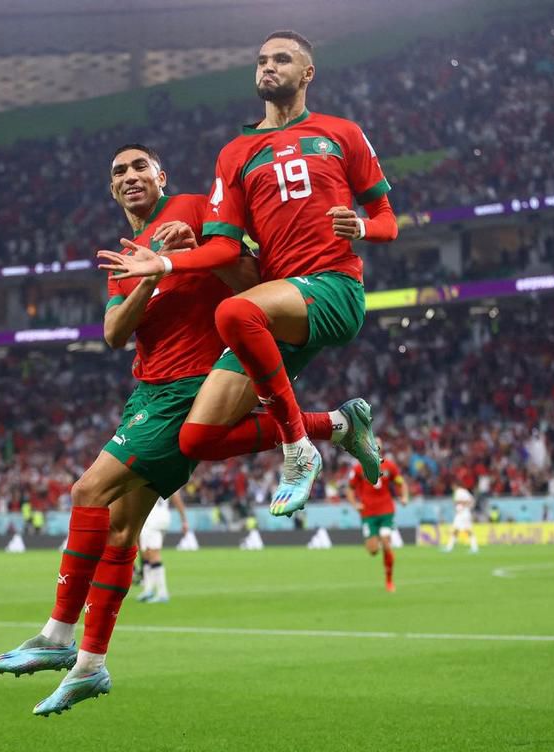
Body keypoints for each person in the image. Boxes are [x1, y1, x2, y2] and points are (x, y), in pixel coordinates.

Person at [0, 144, 369, 715]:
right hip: (148, 391)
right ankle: (91, 667)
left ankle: (57, 637)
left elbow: (253, 274)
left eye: (140, 166)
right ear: (112, 189)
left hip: (191, 386)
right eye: (119, 171)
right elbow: (115, 332)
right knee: (119, 531)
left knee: (87, 492)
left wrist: (193, 255)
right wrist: (147, 274)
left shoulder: (195, 207)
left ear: (162, 175)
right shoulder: (128, 253)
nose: (130, 176)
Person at [98, 30, 397, 518]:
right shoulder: (235, 154)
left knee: (233, 311)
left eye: (282, 59)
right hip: (273, 304)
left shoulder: (342, 133)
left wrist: (362, 227)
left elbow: (388, 220)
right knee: (198, 438)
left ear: (307, 73)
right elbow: (222, 248)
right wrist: (168, 262)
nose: (268, 66)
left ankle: (298, 450)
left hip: (333, 286)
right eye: (261, 60)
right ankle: (341, 425)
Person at [345, 445, 408, 591]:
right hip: (368, 513)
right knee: (373, 551)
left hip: (386, 510)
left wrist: (404, 497)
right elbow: (350, 489)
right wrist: (355, 505)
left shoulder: (389, 466)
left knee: (386, 543)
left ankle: (389, 581)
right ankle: (378, 538)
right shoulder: (358, 468)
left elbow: (400, 482)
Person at [137, 491, 189, 602]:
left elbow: (176, 497)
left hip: (153, 519)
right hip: (162, 518)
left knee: (153, 554)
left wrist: (184, 520)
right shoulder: (168, 477)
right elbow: (176, 497)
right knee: (146, 554)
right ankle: (148, 589)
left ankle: (162, 593)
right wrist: (183, 519)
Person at [443, 485, 479, 553]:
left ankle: (474, 547)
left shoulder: (459, 492)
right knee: (456, 530)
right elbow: (471, 501)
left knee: (467, 530)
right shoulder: (464, 492)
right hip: (463, 513)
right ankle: (449, 547)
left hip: (463, 514)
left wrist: (461, 504)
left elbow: (468, 501)